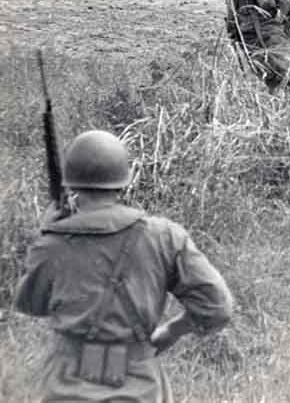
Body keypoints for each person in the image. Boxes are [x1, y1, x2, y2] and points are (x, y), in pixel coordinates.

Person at [14, 130, 234, 402]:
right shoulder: (164, 236)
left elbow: (29, 304)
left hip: (66, 387)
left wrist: (46, 234)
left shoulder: (54, 243)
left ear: (71, 185)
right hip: (140, 389)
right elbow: (217, 307)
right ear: (123, 180)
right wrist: (171, 332)